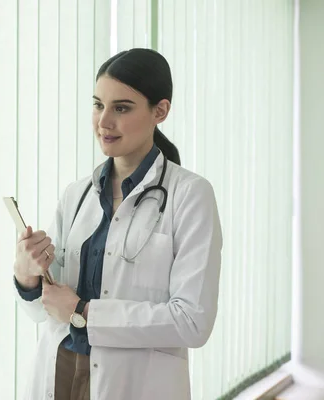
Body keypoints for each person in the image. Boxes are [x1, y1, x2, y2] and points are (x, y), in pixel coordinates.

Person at [13, 48, 223, 400]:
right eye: (98, 105)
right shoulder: (77, 194)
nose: (103, 121)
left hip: (135, 383)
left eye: (121, 108)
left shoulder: (190, 195)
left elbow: (192, 322)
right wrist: (28, 277)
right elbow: (46, 309)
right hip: (60, 366)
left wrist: (85, 313)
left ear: (161, 111)